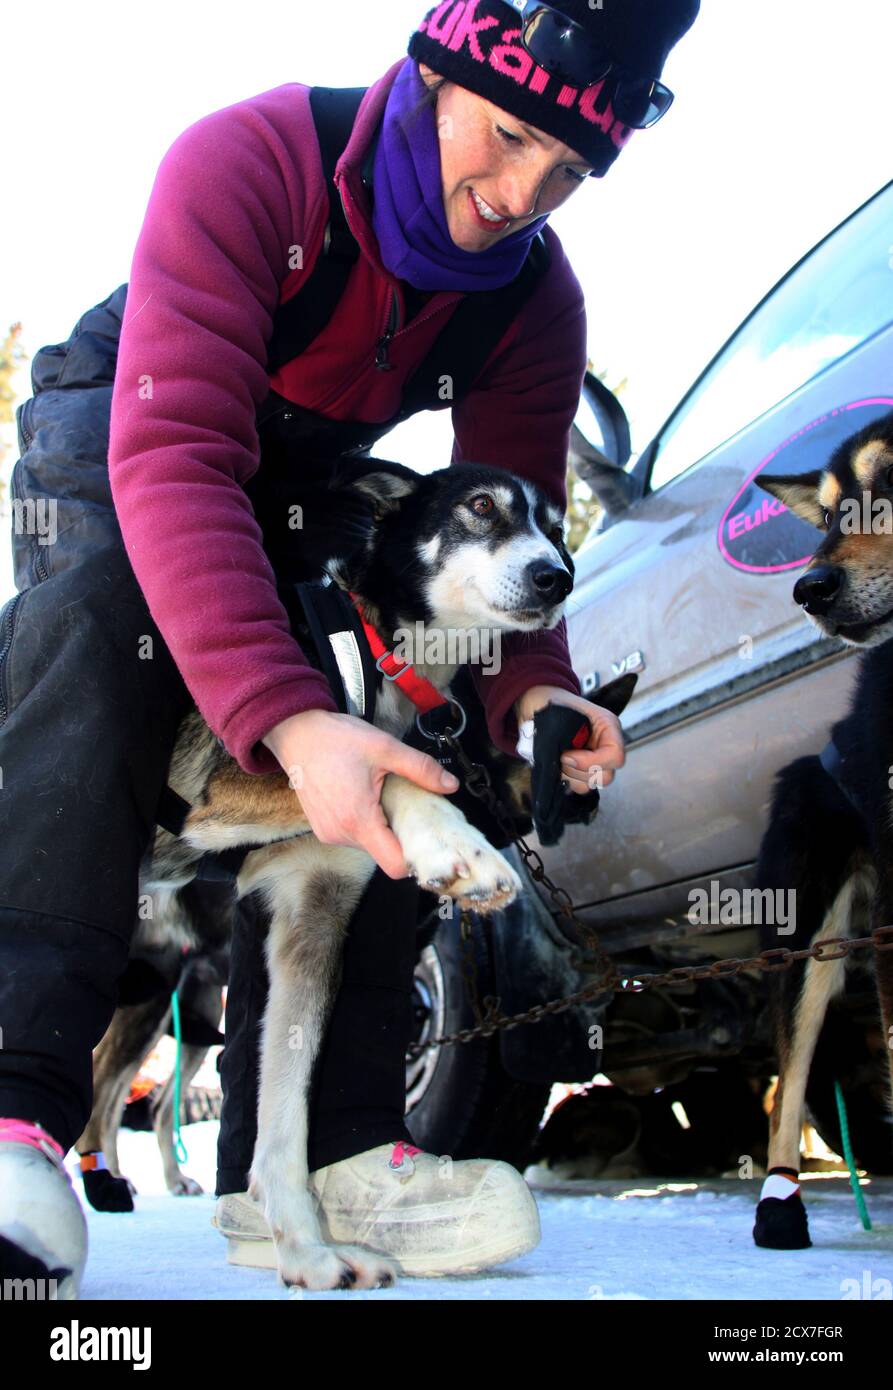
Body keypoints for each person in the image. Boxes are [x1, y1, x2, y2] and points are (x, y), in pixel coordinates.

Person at [0, 0, 700, 1296]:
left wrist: (535, 697)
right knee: (103, 625)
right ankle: (17, 1108)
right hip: (128, 424)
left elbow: (502, 555)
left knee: (419, 714)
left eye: (567, 173)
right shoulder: (247, 160)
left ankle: (319, 1156)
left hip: (310, 479)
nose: (516, 195)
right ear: (439, 72)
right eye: (503, 138)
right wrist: (286, 711)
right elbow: (175, 459)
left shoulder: (532, 302)